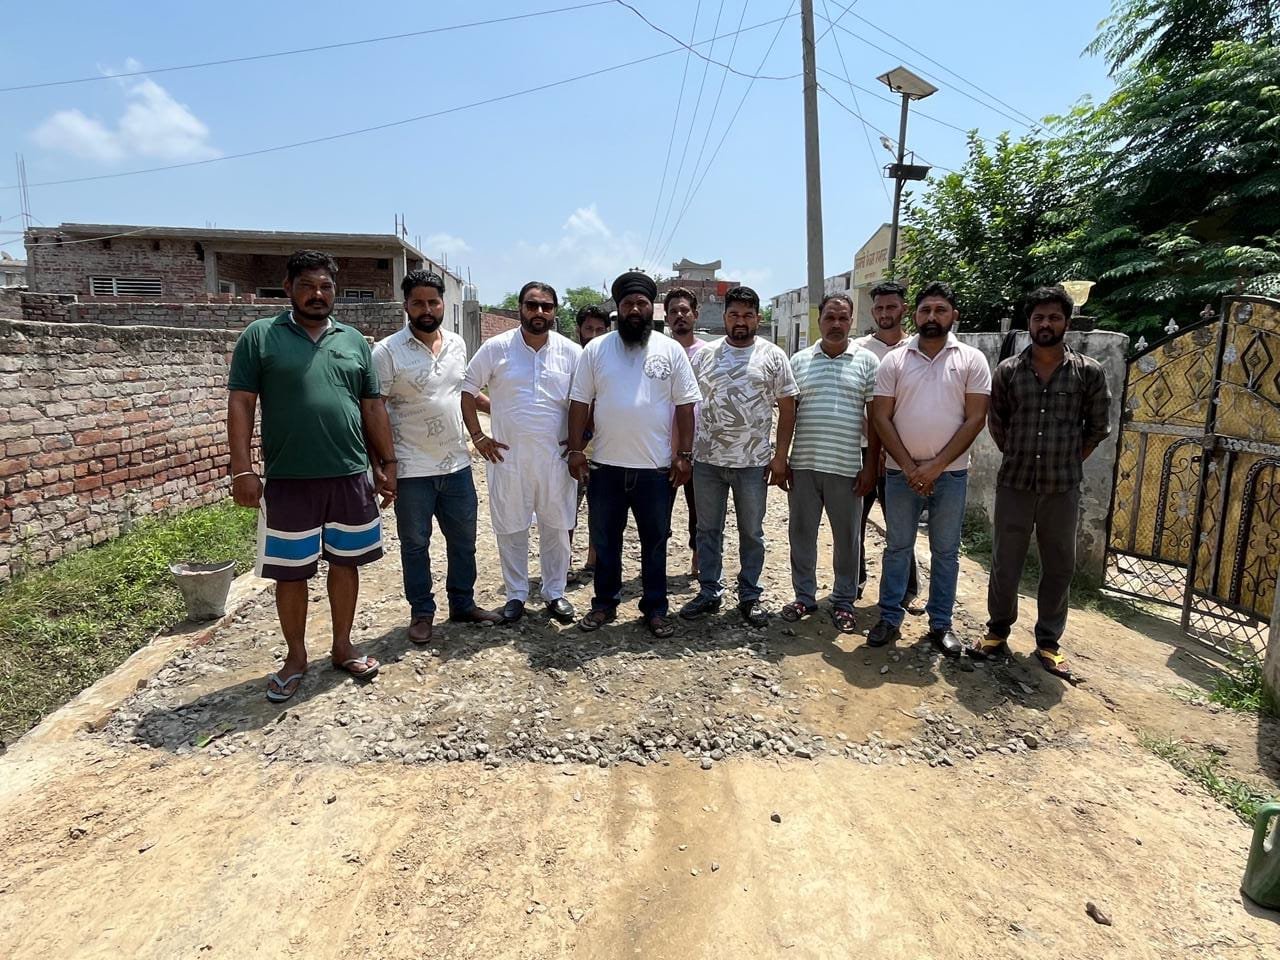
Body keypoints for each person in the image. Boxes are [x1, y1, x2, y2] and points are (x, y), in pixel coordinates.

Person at [227, 250, 394, 702]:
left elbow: (372, 406)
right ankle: (296, 657)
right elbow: (241, 403)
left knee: (346, 563)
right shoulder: (261, 336)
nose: (317, 294)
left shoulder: (354, 341)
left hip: (349, 474)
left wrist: (387, 464)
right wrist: (242, 469)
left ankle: (343, 646)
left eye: (325, 287)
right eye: (307, 286)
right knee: (290, 572)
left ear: (335, 291)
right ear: (288, 288)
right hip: (289, 478)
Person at [970, 286, 1111, 680]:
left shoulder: (1087, 372)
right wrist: (1019, 453)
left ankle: (1049, 642)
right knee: (1005, 562)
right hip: (1015, 482)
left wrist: (1065, 460)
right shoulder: (1009, 371)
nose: (1045, 324)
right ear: (1028, 323)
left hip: (1061, 486)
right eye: (1038, 318)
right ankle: (997, 631)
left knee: (1059, 564)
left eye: (1053, 317)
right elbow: (997, 422)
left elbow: (1097, 428)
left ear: (1066, 322)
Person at [566, 270, 701, 638]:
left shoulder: (669, 350)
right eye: (628, 303)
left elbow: (686, 405)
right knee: (606, 540)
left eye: (642, 303)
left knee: (655, 543)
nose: (636, 309)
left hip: (655, 470)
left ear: (651, 308)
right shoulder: (596, 350)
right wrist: (576, 449)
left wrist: (684, 455)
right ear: (618, 308)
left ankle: (655, 609)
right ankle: (603, 604)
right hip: (605, 468)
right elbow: (579, 402)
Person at [371, 270, 502, 646]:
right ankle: (422, 612)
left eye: (433, 302)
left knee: (464, 541)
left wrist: (505, 412)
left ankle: (463, 603)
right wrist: (382, 464)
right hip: (411, 468)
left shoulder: (457, 344)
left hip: (457, 464)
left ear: (443, 304)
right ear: (406, 306)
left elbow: (465, 393)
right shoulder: (386, 352)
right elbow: (375, 409)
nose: (426, 309)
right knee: (415, 545)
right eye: (418, 303)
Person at [869, 281, 991, 655]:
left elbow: (976, 418)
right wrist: (910, 467)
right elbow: (881, 417)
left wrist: (936, 466)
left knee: (946, 551)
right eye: (925, 310)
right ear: (916, 315)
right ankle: (889, 617)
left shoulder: (971, 359)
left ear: (954, 315)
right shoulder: (894, 360)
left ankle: (941, 623)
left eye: (940, 310)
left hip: (951, 475)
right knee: (897, 547)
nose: (932, 317)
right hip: (900, 473)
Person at [462, 282, 583, 624]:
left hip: (555, 460)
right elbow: (467, 390)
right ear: (520, 308)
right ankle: (515, 594)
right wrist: (478, 437)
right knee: (510, 527)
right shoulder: (496, 348)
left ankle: (554, 592)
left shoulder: (571, 353)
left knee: (557, 527)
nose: (539, 312)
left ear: (555, 311)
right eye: (532, 305)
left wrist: (580, 441)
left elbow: (587, 399)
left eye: (546, 306)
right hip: (508, 459)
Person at [679, 286, 797, 627]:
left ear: (758, 318)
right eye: (734, 315)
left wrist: (780, 457)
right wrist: (684, 451)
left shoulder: (773, 356)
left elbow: (788, 408)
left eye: (747, 315)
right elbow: (685, 404)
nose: (740, 321)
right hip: (707, 461)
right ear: (725, 317)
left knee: (752, 533)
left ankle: (749, 595)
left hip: (753, 464)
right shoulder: (705, 355)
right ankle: (709, 591)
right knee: (707, 530)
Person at [782, 293, 880, 633]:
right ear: (819, 320)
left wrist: (871, 467)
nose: (836, 324)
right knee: (801, 535)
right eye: (830, 317)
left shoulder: (867, 362)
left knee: (848, 539)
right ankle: (804, 596)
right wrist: (782, 458)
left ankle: (843, 601)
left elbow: (875, 420)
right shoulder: (799, 361)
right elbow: (788, 415)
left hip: (847, 467)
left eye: (843, 318)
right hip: (804, 466)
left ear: (851, 321)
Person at [852, 279, 920, 609]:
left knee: (900, 525)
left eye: (891, 306)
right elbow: (856, 402)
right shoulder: (859, 349)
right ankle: (854, 581)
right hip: (863, 449)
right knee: (854, 521)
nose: (884, 313)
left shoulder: (918, 348)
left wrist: (891, 448)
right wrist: (877, 445)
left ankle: (907, 590)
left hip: (903, 453)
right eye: (879, 307)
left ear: (904, 308)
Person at [663, 287, 710, 577]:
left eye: (685, 310)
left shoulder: (709, 353)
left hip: (699, 446)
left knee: (700, 510)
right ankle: (655, 565)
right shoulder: (656, 352)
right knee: (658, 512)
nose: (679, 316)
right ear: (666, 318)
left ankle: (698, 558)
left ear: (695, 314)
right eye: (673, 311)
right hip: (660, 447)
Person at [571, 304, 610, 579]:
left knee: (601, 511)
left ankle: (594, 561)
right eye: (589, 329)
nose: (594, 335)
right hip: (575, 449)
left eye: (600, 330)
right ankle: (563, 562)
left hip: (606, 451)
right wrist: (578, 439)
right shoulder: (571, 360)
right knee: (567, 509)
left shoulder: (613, 361)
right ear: (579, 331)